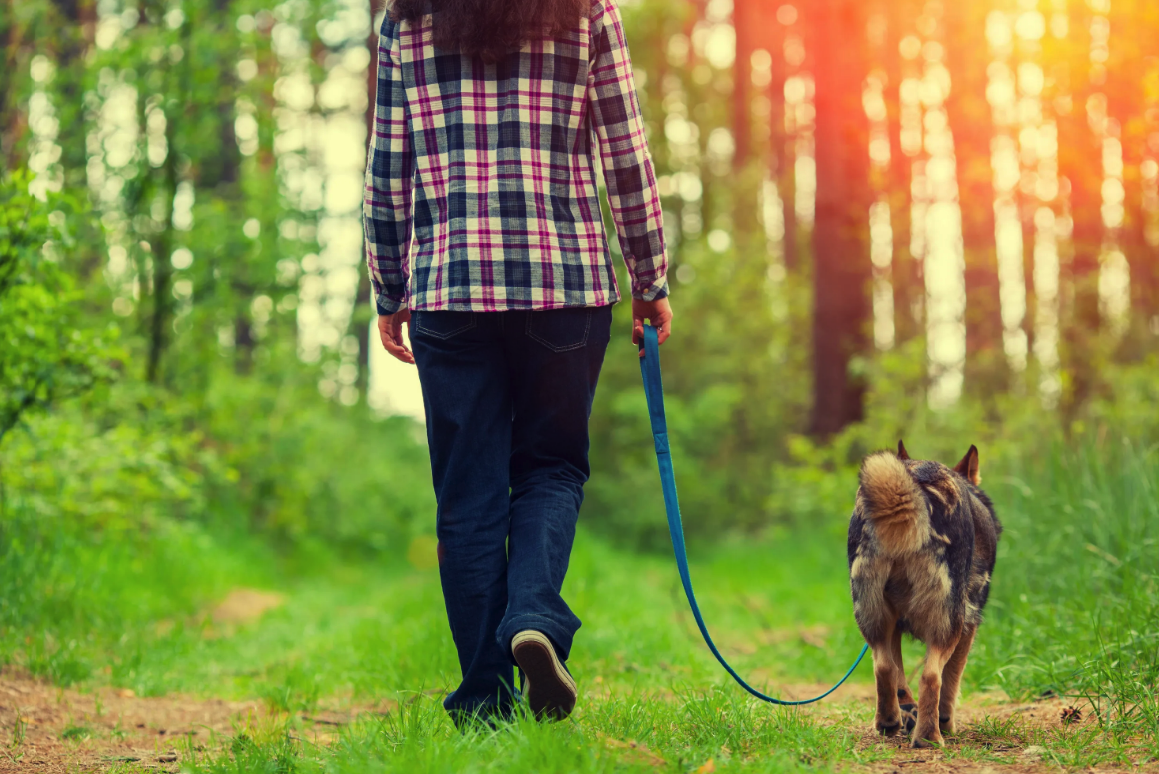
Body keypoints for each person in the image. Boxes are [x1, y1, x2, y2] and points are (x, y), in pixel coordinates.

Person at [363, 0, 672, 726]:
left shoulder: (406, 22)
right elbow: (624, 153)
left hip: (451, 287)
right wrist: (649, 279)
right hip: (561, 286)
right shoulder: (584, 11)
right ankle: (532, 613)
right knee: (551, 469)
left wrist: (388, 286)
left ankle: (481, 702)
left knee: (466, 496)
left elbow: (386, 170)